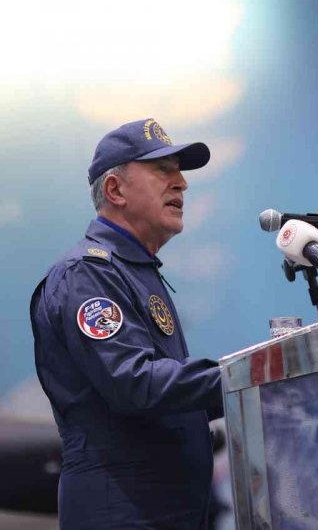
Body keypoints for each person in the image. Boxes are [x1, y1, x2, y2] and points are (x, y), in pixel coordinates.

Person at [29, 119, 223, 529]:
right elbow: (134, 384)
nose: (182, 183)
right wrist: (248, 374)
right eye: (163, 170)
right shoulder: (87, 274)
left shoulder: (133, 271)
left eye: (179, 172)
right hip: (121, 512)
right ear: (116, 190)